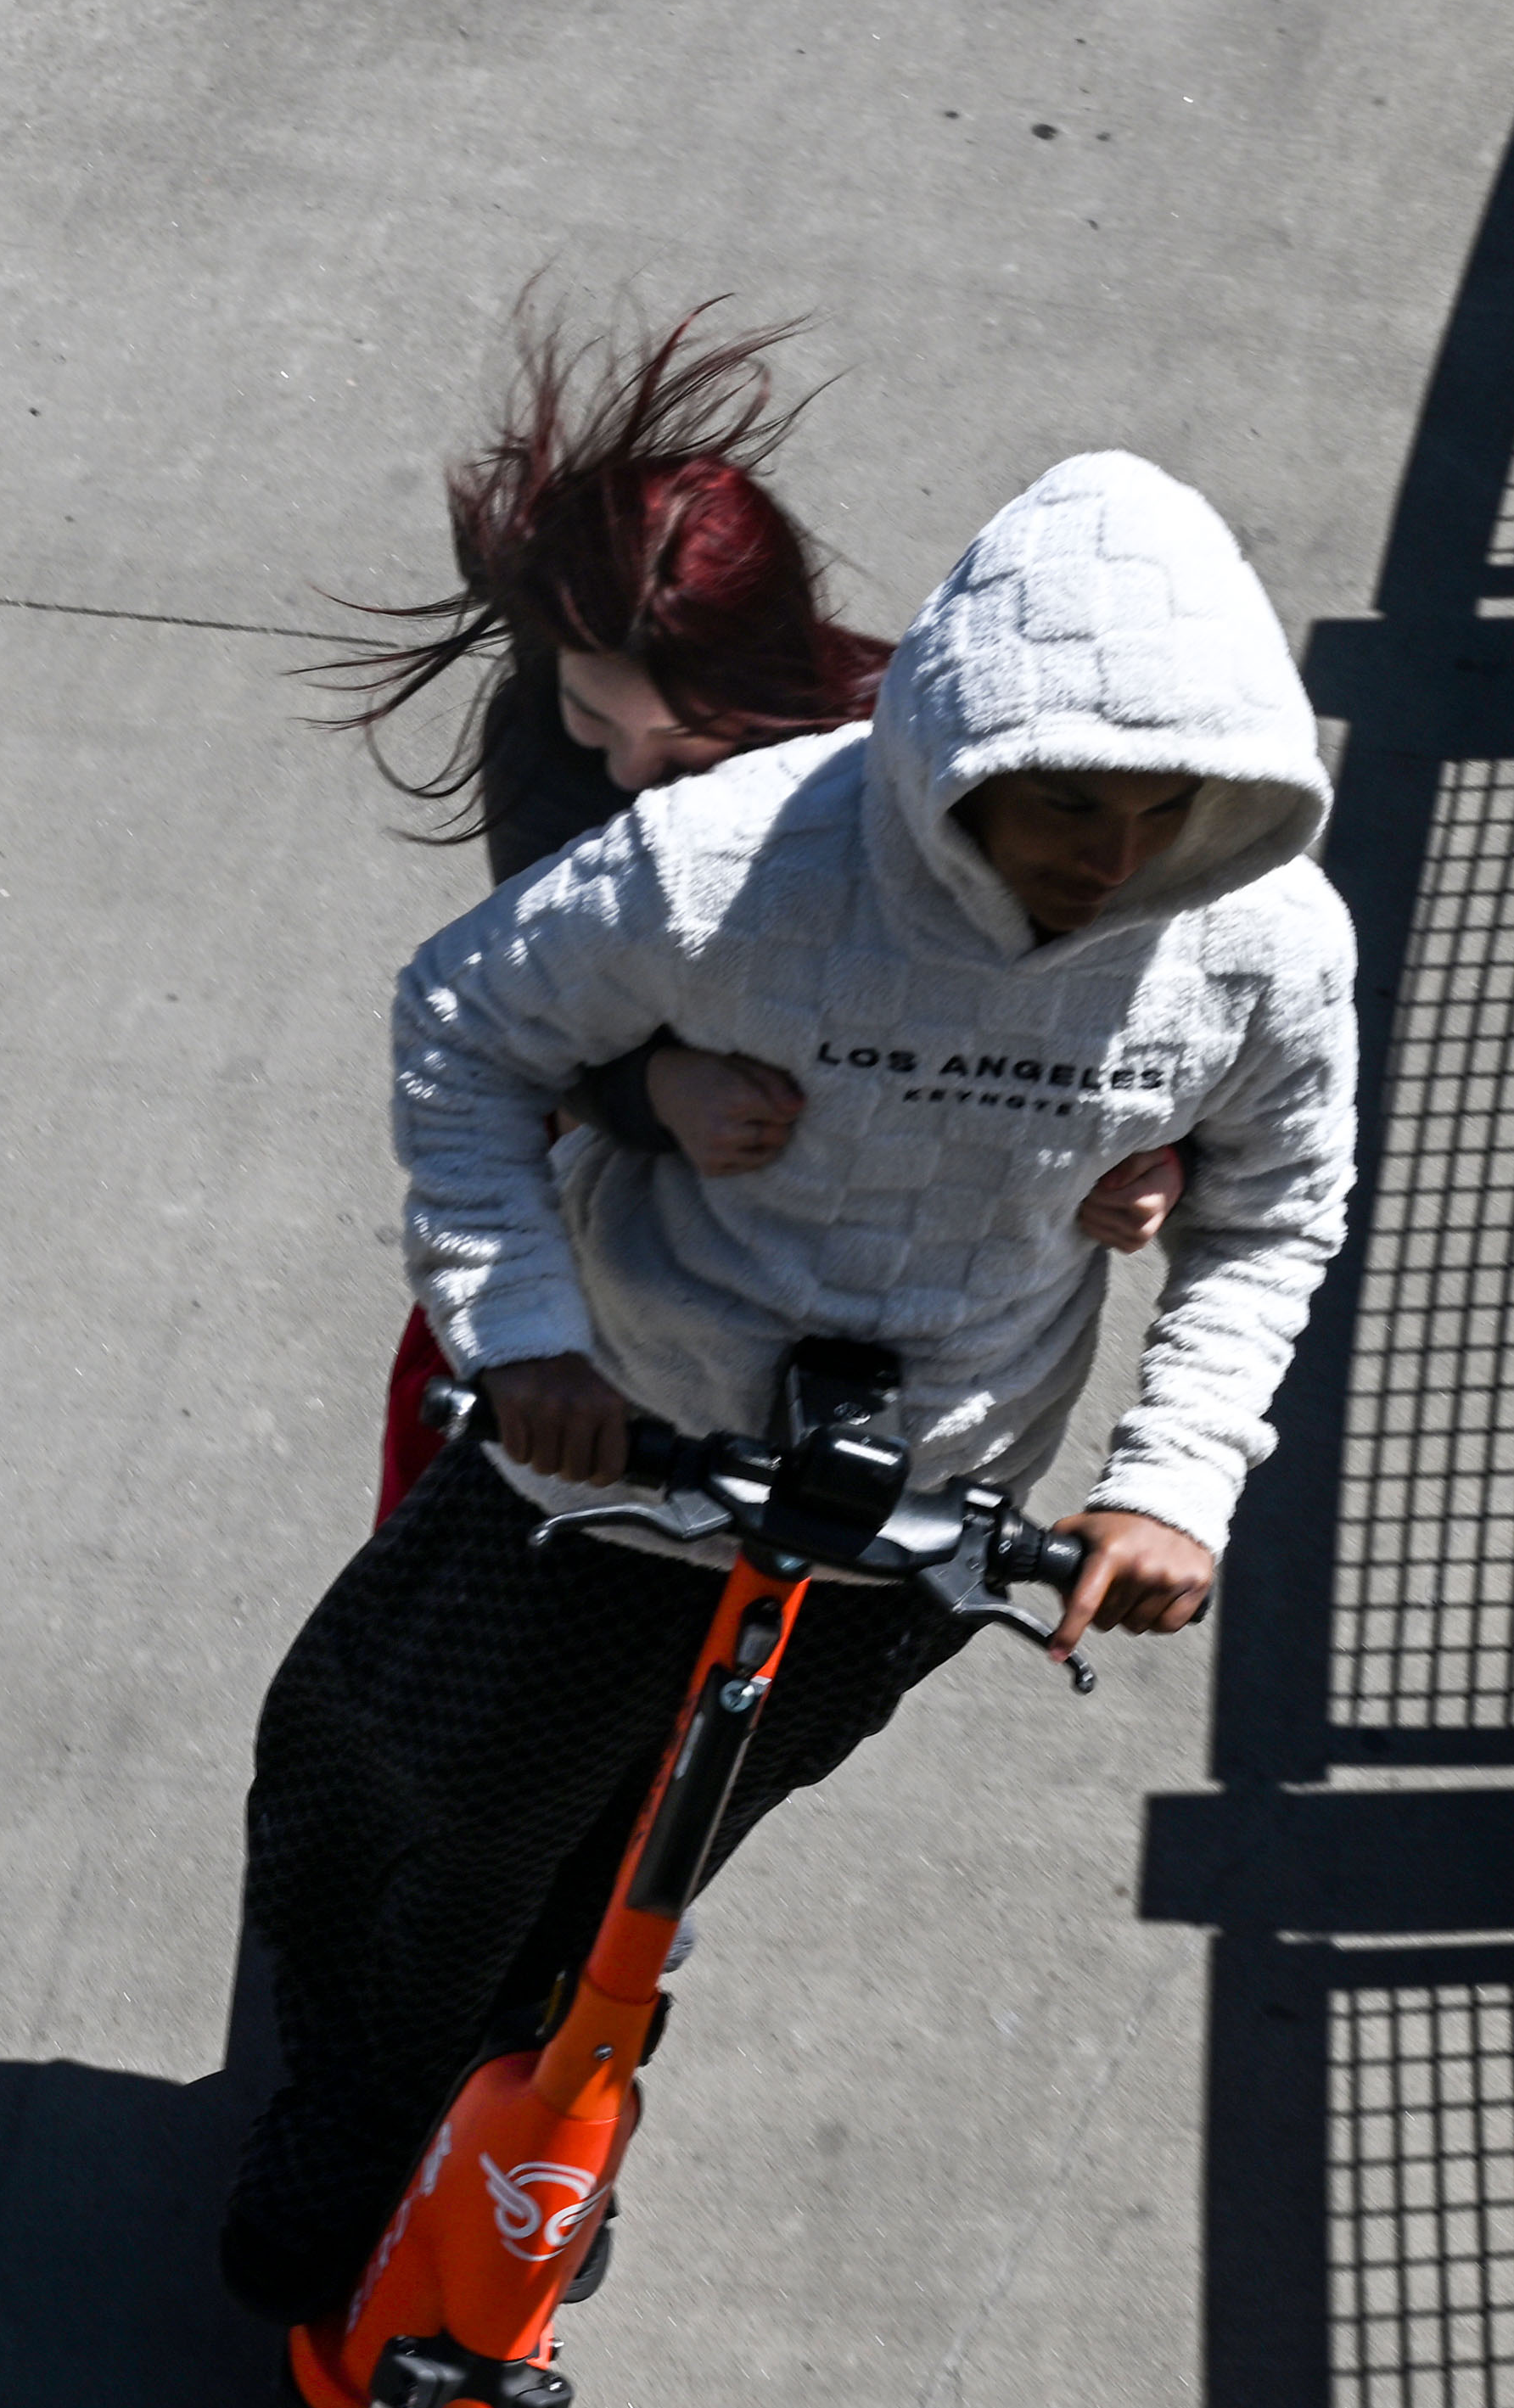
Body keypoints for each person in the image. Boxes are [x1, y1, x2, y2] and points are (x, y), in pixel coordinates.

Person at [218, 450, 1360, 2330]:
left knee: (646, 1859)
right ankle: (354, 2122)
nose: (1105, 855)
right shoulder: (728, 855)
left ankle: (538, 2118)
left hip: (912, 1518)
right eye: (1056, 805)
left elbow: (1278, 1208)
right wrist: (525, 1341)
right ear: (956, 762)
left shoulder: (1261, 943)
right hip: (618, 1468)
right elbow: (465, 1026)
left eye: (1158, 812)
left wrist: (1175, 1480)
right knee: (420, 1800)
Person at [311, 308, 1177, 1526]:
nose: (625, 778)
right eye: (596, 722)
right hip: (616, 1206)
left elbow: (1122, 977)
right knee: (452, 1434)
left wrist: (1150, 1153)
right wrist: (650, 1088)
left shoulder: (914, 756)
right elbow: (531, 1010)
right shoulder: (536, 746)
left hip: (890, 1256)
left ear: (776, 691)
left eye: (688, 743)